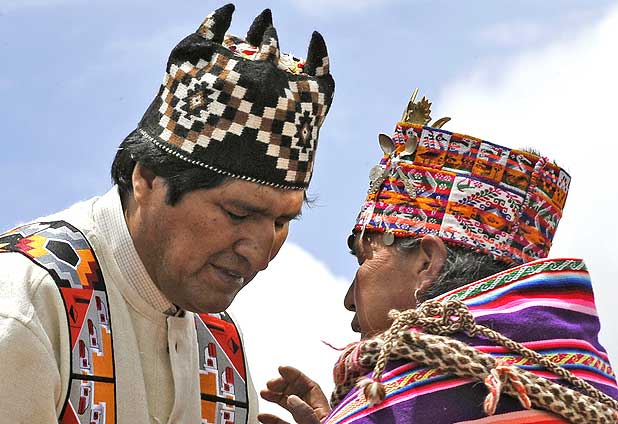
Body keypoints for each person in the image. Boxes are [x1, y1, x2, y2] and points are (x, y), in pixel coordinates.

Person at [0, 4, 334, 423]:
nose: (260, 254)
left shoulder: (219, 345)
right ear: (148, 178)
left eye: (282, 222)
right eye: (237, 213)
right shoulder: (27, 301)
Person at [258, 91, 618, 423]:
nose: (349, 299)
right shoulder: (589, 391)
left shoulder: (401, 405)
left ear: (426, 263)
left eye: (364, 259)